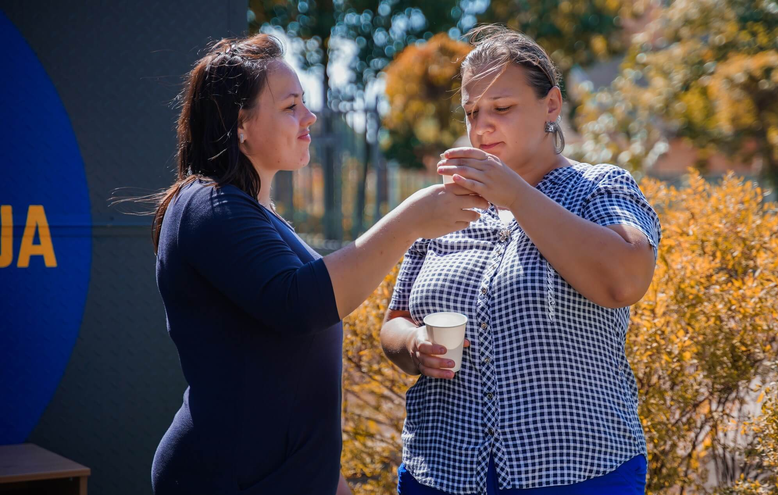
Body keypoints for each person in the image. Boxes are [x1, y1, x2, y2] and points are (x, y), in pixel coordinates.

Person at [149, 34, 488, 495]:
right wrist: (409, 220)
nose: (309, 118)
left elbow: (290, 377)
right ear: (240, 124)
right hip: (226, 479)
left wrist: (330, 480)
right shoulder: (207, 205)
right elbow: (301, 302)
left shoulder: (253, 213)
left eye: (304, 103)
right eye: (291, 107)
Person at [380, 25, 662, 495]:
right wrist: (412, 344)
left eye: (502, 108)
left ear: (551, 105)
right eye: (472, 111)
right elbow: (397, 318)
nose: (481, 125)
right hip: (442, 471)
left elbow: (626, 279)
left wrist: (515, 194)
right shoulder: (445, 206)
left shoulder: (599, 188)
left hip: (578, 473)